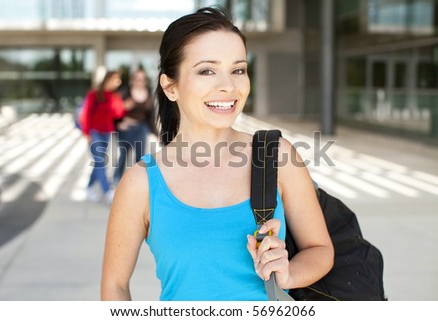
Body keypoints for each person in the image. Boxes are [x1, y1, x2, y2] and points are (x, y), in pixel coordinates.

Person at [101, 7, 333, 300]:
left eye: (238, 70)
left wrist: (288, 272)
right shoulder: (141, 184)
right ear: (170, 86)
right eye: (207, 70)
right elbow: (115, 286)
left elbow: (320, 250)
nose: (228, 86)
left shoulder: (277, 157)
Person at [79, 70, 126, 204]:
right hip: (95, 132)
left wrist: (120, 102)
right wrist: (86, 133)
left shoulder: (113, 96)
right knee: (100, 161)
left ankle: (88, 188)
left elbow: (118, 114)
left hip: (107, 132)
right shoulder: (94, 94)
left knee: (98, 161)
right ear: (108, 79)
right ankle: (107, 191)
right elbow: (86, 114)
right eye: (116, 79)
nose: (118, 82)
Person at [113, 67, 156, 185]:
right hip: (127, 129)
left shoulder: (148, 93)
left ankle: (138, 183)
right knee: (123, 156)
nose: (139, 81)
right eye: (137, 79)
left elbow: (151, 115)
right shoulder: (124, 92)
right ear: (132, 80)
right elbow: (114, 110)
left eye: (142, 79)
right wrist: (119, 123)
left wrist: (156, 133)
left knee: (140, 158)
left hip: (141, 128)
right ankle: (117, 181)